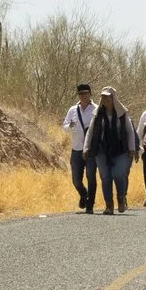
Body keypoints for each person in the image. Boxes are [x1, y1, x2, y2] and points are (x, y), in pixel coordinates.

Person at [87, 87, 138, 214]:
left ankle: (121, 198)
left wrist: (132, 149)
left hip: (120, 149)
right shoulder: (98, 113)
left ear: (113, 98)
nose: (105, 99)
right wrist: (86, 148)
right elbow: (91, 131)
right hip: (102, 149)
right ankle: (108, 205)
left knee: (118, 174)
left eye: (107, 97)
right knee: (105, 177)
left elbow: (130, 131)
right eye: (103, 97)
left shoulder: (122, 113)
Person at [62, 83, 98, 212]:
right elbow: (64, 127)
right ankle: (84, 194)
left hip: (91, 150)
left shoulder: (96, 109)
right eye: (81, 94)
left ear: (90, 94)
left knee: (91, 176)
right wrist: (70, 126)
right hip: (76, 148)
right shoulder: (72, 110)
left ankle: (90, 204)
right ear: (78, 95)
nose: (83, 96)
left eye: (86, 93)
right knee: (76, 179)